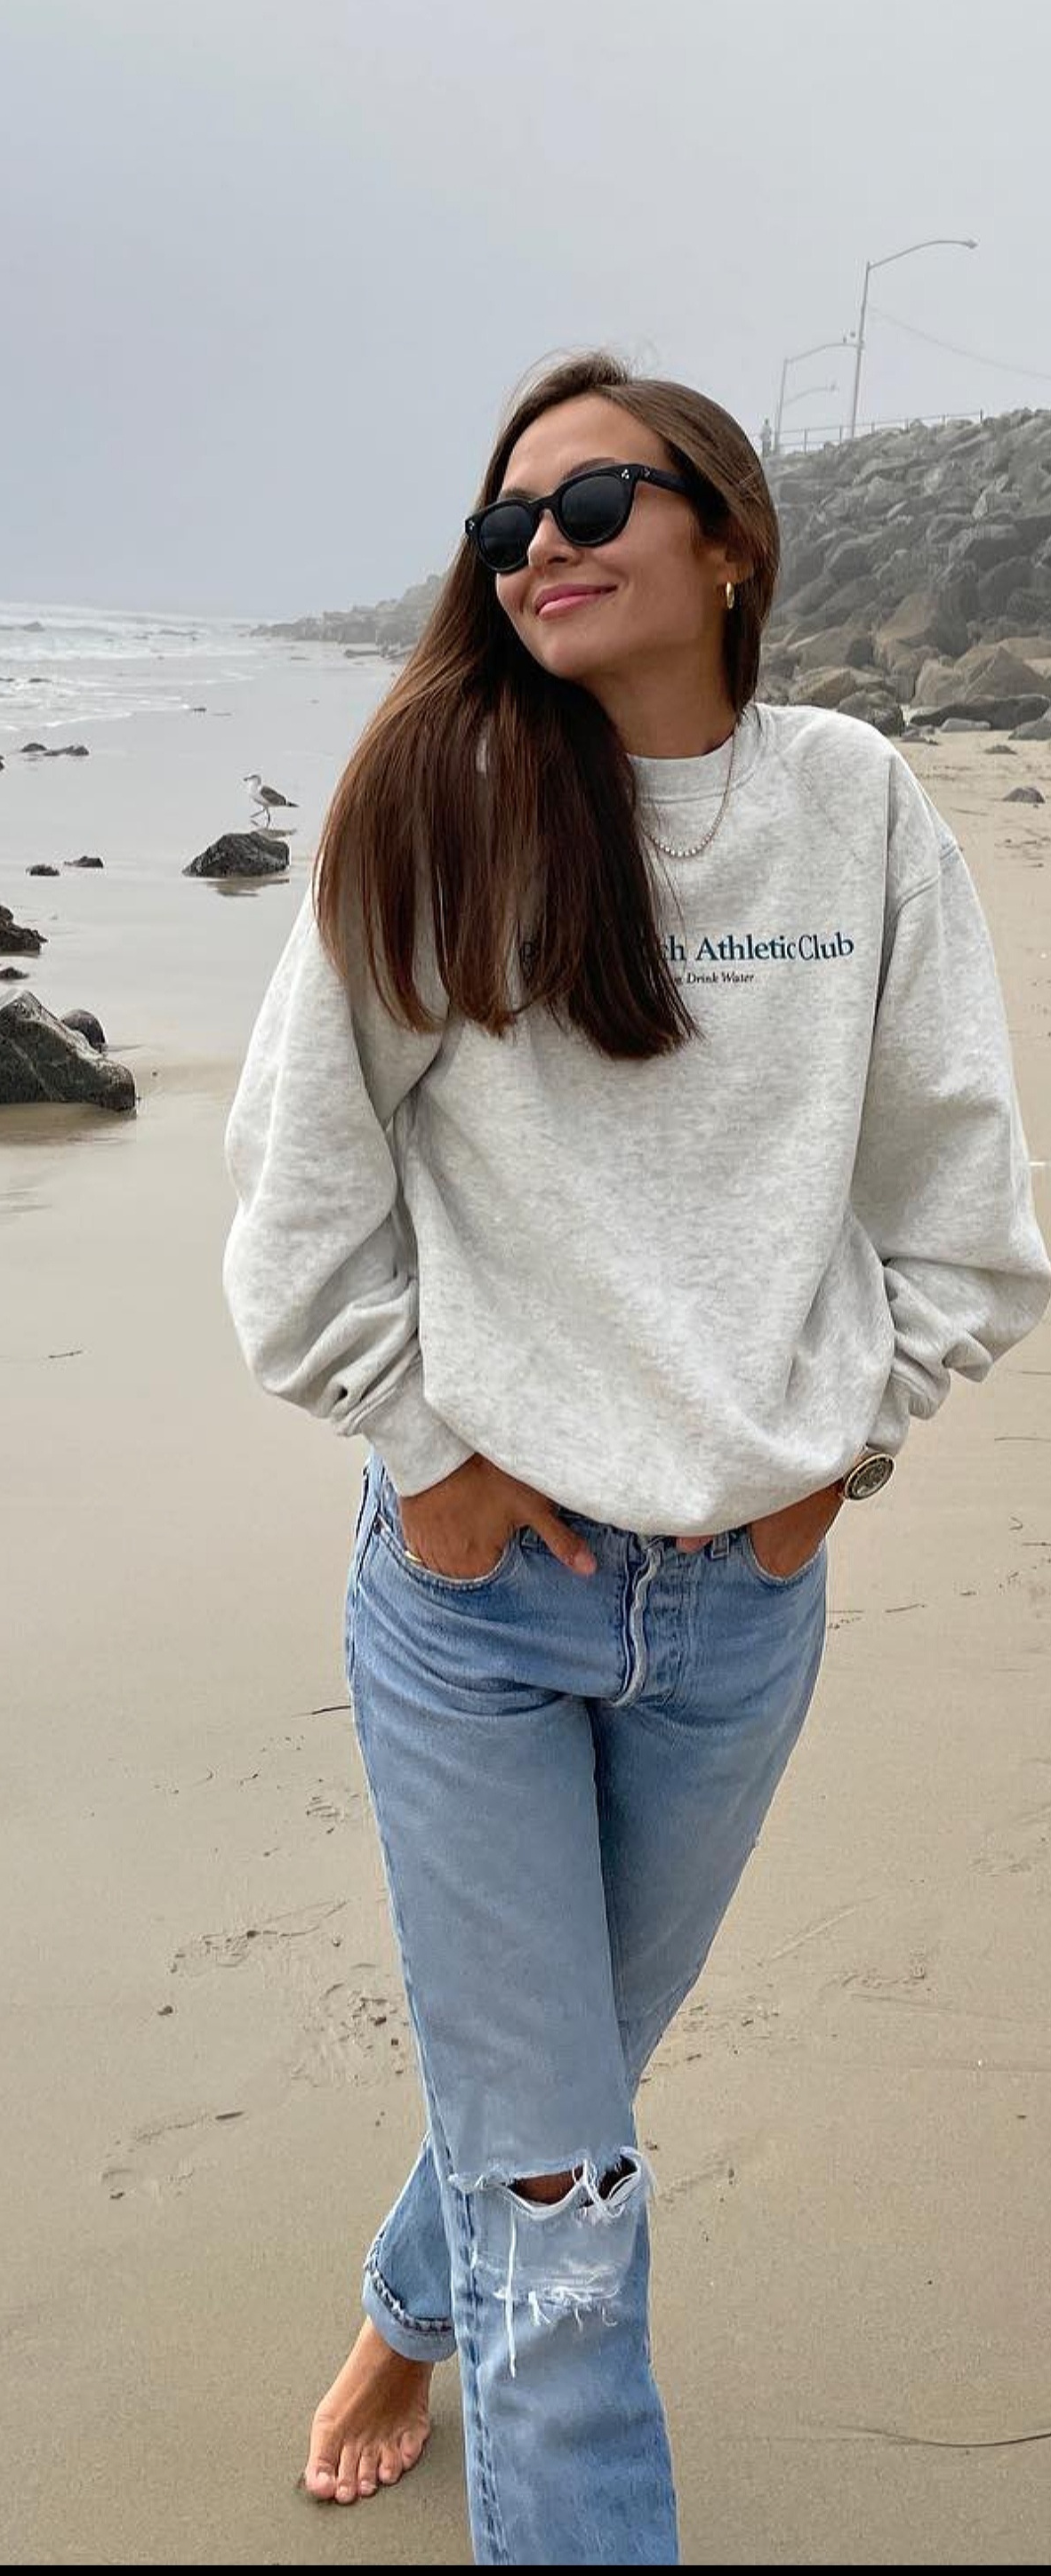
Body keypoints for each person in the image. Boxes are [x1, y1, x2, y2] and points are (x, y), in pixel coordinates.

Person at [221, 347, 1050, 2566]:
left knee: (568, 2077)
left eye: (592, 505)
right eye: (507, 526)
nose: (542, 551)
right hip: (478, 1601)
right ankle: (486, 2347)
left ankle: (412, 2307)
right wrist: (427, 1455)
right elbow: (296, 1211)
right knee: (568, 2201)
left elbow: (964, 1206)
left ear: (730, 539)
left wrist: (842, 1458)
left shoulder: (856, 805)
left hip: (744, 1604)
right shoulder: (438, 802)